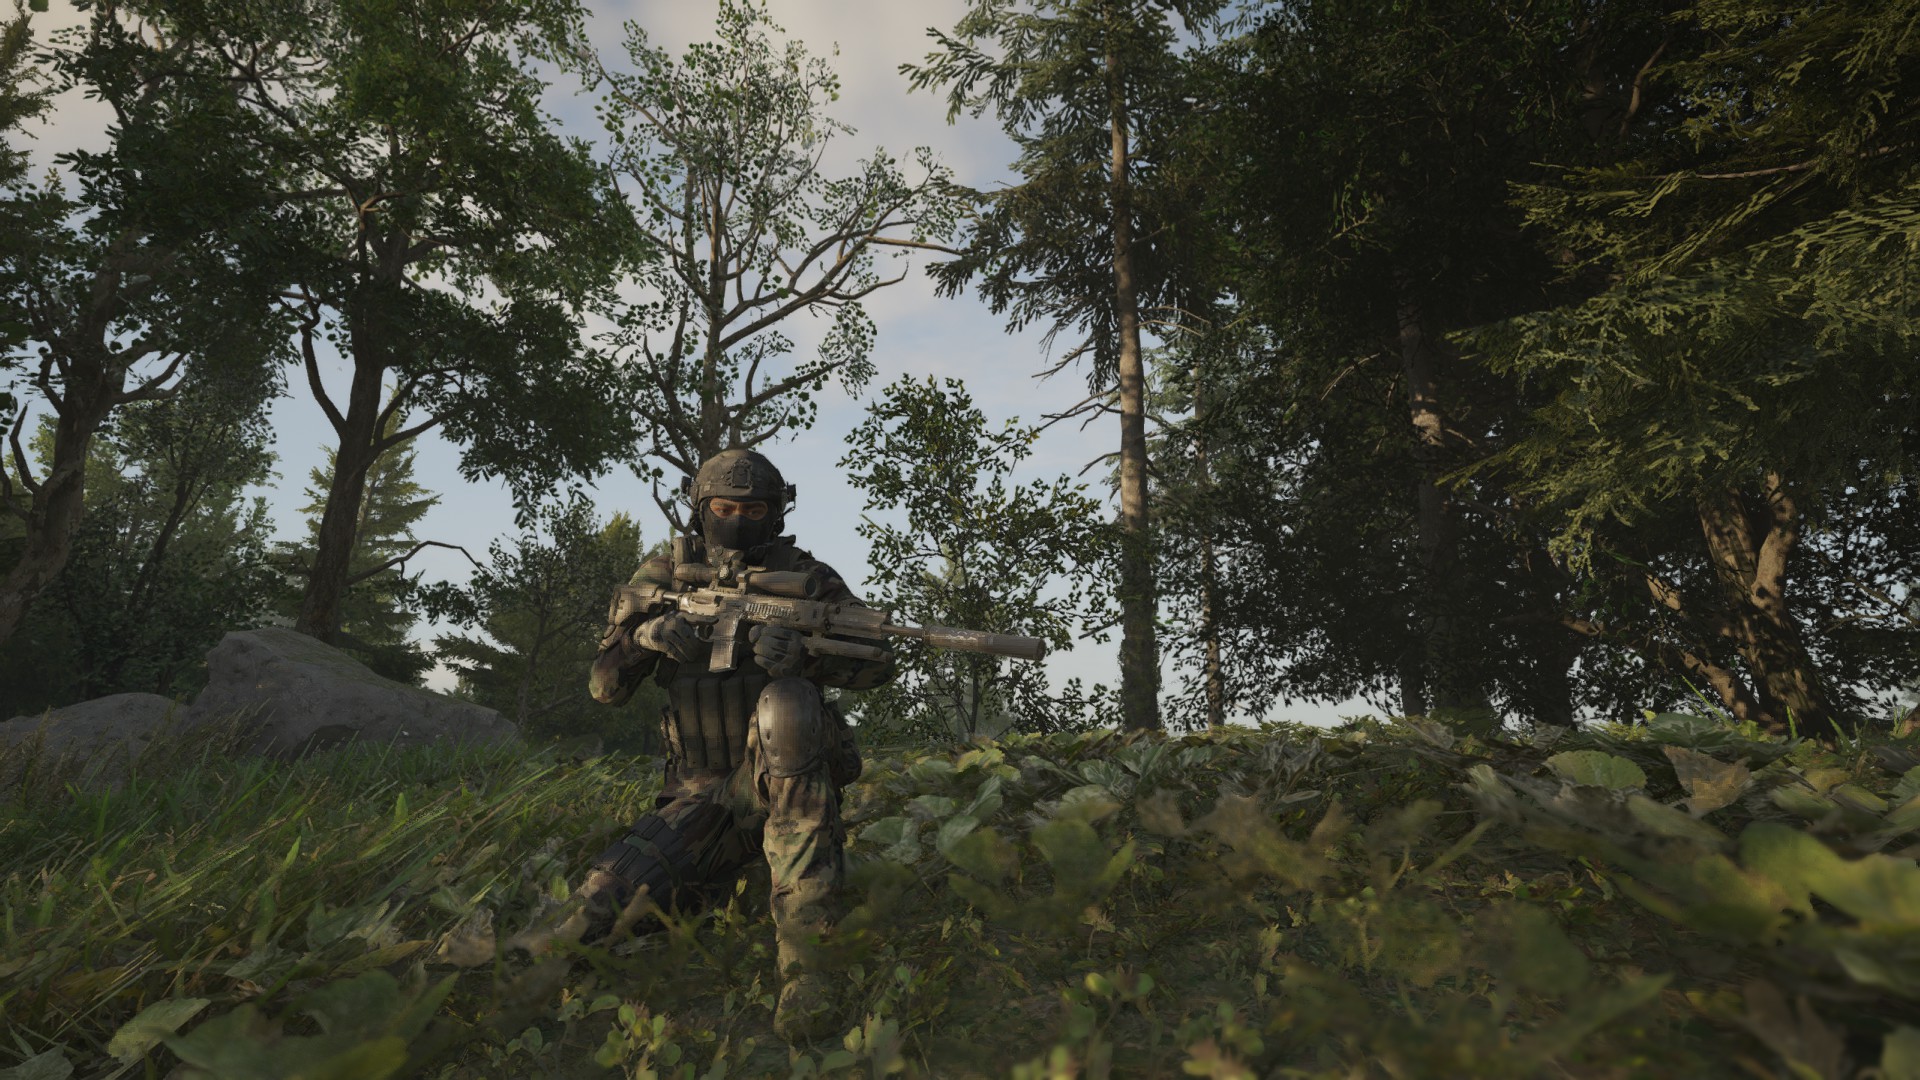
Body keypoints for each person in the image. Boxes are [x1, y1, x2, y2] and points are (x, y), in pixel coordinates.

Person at [562, 448, 895, 1043]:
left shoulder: (806, 577)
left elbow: (879, 660)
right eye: (724, 507)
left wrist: (805, 657)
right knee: (593, 916)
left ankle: (808, 968)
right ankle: (719, 877)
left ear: (776, 512)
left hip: (788, 784)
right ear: (700, 509)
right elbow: (604, 688)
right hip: (700, 797)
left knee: (786, 703)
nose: (738, 519)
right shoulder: (664, 575)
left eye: (754, 509)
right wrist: (645, 639)